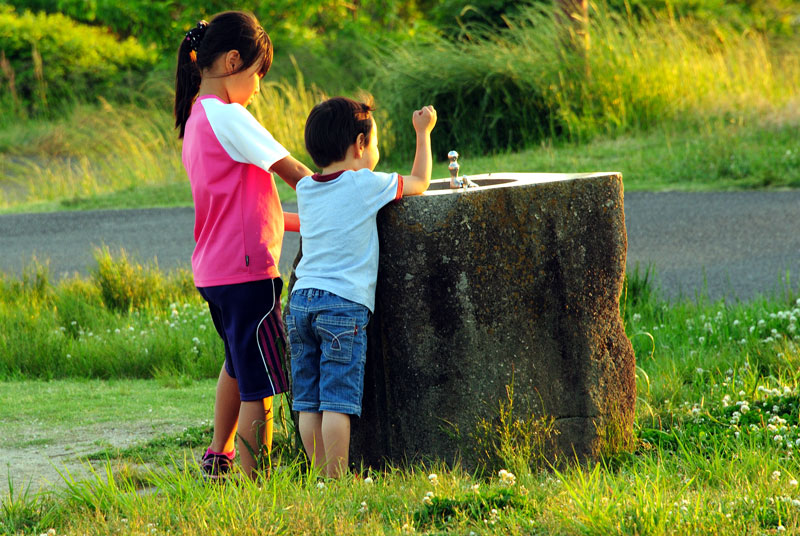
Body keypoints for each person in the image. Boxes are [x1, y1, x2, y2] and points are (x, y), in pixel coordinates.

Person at [174, 11, 312, 480]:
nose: (257, 88)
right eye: (257, 75)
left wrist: (300, 221)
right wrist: (345, 199)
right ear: (233, 61)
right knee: (263, 385)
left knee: (237, 363)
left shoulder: (197, 118)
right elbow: (297, 175)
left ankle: (220, 455)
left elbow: (250, 207)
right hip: (248, 273)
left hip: (216, 273)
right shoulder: (232, 116)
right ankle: (257, 483)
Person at [287, 96, 437, 477]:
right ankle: (336, 480)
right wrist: (423, 133)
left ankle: (319, 475)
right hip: (342, 305)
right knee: (338, 401)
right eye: (375, 142)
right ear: (359, 144)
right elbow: (420, 182)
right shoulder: (365, 184)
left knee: (309, 402)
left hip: (301, 301)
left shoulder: (306, 187)